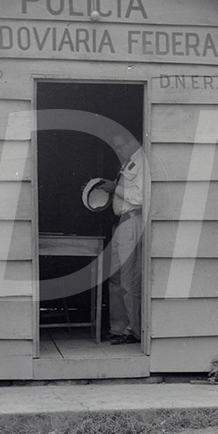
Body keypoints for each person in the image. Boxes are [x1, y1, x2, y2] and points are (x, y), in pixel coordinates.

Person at [101, 132, 144, 345]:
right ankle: (118, 328)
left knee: (129, 280)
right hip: (120, 223)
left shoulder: (142, 162)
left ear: (132, 142)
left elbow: (139, 197)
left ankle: (133, 330)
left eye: (120, 146)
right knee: (116, 278)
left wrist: (114, 189)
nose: (118, 151)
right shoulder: (128, 163)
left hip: (132, 220)